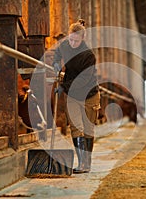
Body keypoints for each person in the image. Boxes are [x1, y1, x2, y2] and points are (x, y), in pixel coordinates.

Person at [53, 19, 100, 174]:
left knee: (87, 129)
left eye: (76, 41)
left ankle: (87, 163)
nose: (72, 43)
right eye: (71, 39)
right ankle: (81, 164)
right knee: (75, 128)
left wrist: (63, 86)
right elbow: (58, 52)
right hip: (72, 95)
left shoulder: (88, 56)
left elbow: (82, 81)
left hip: (89, 94)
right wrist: (56, 64)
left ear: (83, 39)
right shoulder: (65, 45)